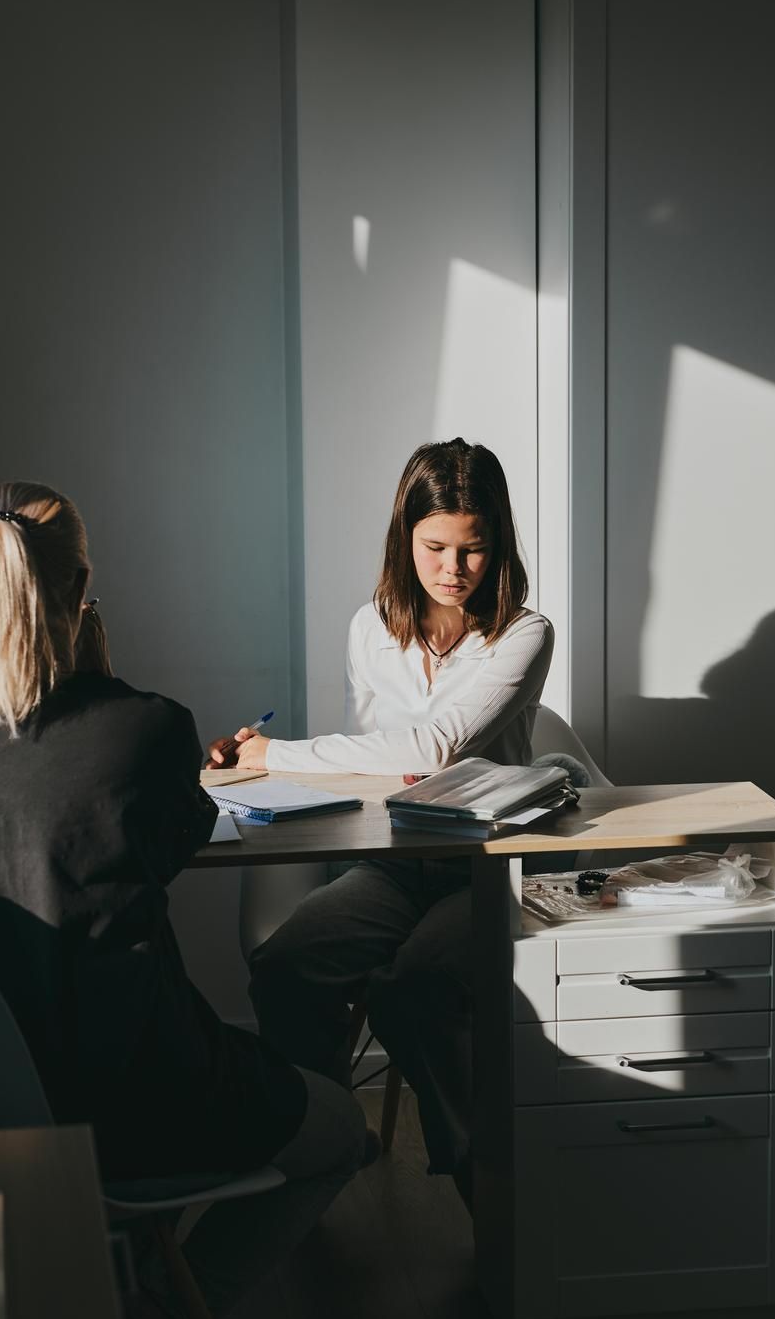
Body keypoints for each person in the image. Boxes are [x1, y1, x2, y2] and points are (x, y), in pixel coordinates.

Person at [0, 480, 367, 1319]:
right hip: (127, 1103)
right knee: (343, 1132)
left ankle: (127, 1316)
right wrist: (102, 678)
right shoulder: (145, 729)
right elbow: (169, 836)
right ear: (83, 591)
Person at [213, 438, 553, 1192]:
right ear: (405, 538)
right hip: (397, 866)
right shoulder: (371, 628)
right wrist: (272, 766)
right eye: (435, 546)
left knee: (416, 987)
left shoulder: (524, 633)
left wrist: (275, 754)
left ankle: (486, 1196)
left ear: (496, 547)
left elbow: (430, 749)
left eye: (473, 549)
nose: (453, 568)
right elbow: (369, 760)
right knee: (285, 967)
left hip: (486, 871)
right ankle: (325, 1138)